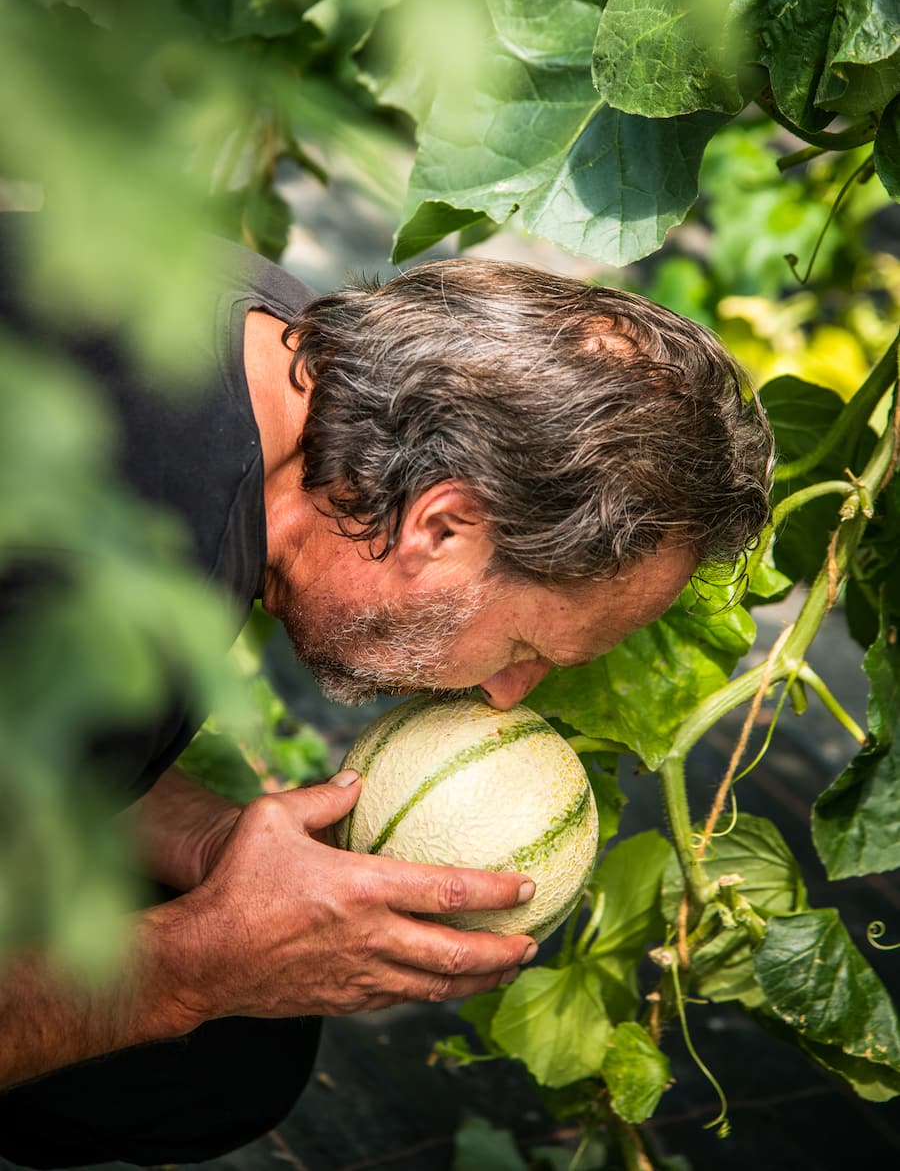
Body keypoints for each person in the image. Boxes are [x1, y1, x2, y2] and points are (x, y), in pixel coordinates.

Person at [0, 217, 773, 1165]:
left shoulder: (271, 329)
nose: (504, 695)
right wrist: (195, 965)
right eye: (525, 644)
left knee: (234, 1053)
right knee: (202, 1038)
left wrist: (211, 846)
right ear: (442, 527)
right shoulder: (107, 593)